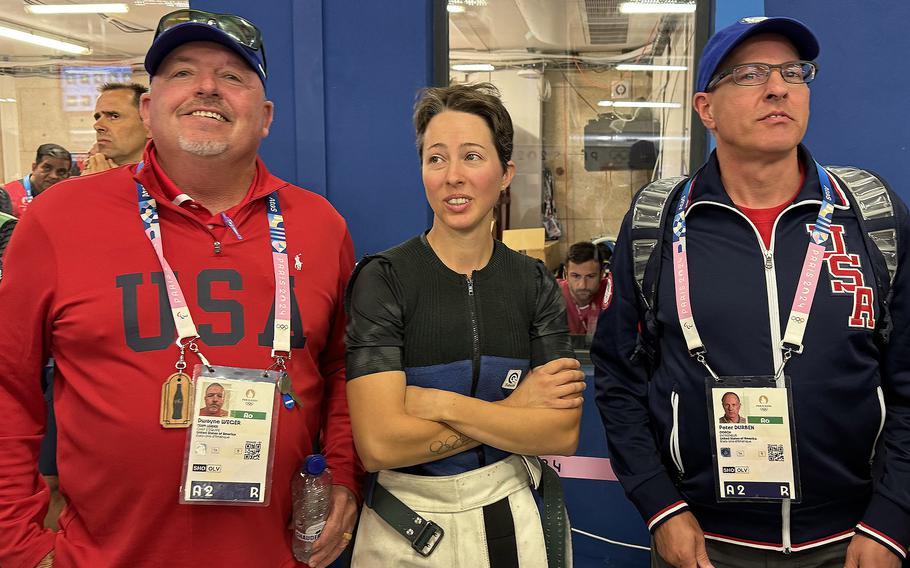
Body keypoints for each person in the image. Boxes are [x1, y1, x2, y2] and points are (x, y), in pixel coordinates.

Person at [0, 9, 361, 568]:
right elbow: (8, 389)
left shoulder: (320, 225)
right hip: (104, 557)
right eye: (182, 72)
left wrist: (341, 474)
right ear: (150, 108)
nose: (208, 87)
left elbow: (340, 371)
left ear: (264, 117)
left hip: (273, 556)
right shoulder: (56, 221)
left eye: (233, 76)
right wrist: (19, 546)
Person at [593, 16, 909, 568]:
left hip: (853, 540)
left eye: (793, 71)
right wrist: (659, 506)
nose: (779, 87)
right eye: (750, 74)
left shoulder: (871, 214)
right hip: (704, 544)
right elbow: (619, 379)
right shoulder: (657, 223)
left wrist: (892, 519)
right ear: (705, 109)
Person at [345, 83, 585, 567]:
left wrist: (439, 403)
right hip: (404, 522)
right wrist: (514, 411)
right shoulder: (384, 279)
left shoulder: (535, 283)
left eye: (472, 157)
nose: (453, 176)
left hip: (510, 514)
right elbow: (378, 445)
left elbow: (560, 433)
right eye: (436, 159)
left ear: (504, 174)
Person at [83, 82, 151, 175]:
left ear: (149, 126)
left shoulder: (173, 180)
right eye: (98, 117)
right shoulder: (69, 186)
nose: (97, 126)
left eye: (114, 116)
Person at [1, 144, 71, 217]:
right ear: (34, 167)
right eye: (47, 168)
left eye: (61, 172)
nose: (53, 176)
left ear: (68, 176)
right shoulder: (6, 195)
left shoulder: (69, 199)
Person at [559, 241, 610, 336]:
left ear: (602, 274)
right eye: (576, 276)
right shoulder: (551, 296)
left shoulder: (612, 293)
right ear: (566, 274)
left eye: (590, 276)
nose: (583, 285)